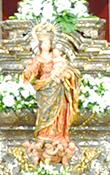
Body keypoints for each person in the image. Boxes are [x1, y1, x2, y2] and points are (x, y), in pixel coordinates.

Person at [21, 22, 79, 164]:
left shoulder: (57, 58)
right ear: (39, 44)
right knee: (45, 113)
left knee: (59, 111)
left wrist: (64, 75)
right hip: (44, 90)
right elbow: (32, 73)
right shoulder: (38, 59)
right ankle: (44, 135)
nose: (46, 46)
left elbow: (71, 71)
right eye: (43, 43)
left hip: (57, 89)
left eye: (48, 43)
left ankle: (58, 135)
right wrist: (28, 72)